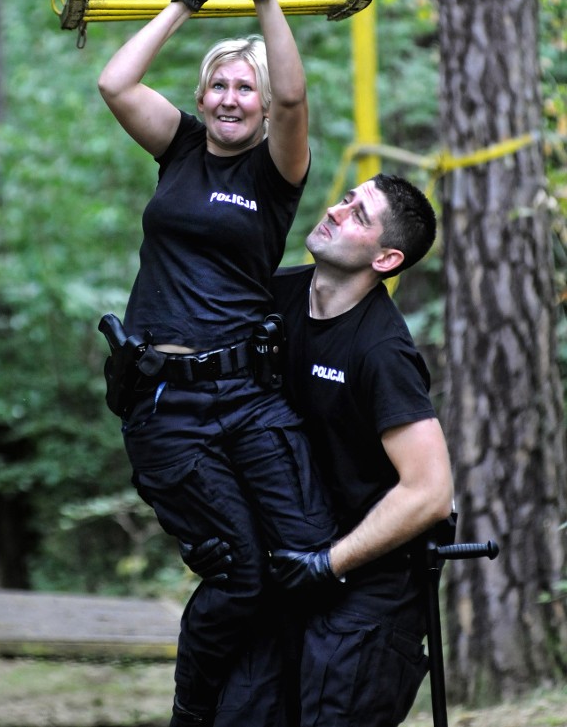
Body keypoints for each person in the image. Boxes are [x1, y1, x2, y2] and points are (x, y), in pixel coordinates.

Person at [97, 0, 336, 727]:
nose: (233, 97)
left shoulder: (278, 170)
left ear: (266, 108)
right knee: (239, 572)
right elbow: (116, 84)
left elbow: (300, 92)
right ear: (203, 96)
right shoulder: (182, 148)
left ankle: (290, 705)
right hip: (168, 406)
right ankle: (196, 715)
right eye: (221, 84)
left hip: (249, 397)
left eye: (248, 88)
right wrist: (183, 7)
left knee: (300, 561)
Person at [188, 173, 455, 727]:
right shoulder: (272, 298)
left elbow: (430, 493)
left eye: (359, 215)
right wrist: (211, 531)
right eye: (345, 199)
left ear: (385, 259)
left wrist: (328, 563)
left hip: (371, 589)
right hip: (285, 564)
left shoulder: (380, 350)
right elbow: (215, 425)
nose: (336, 210)